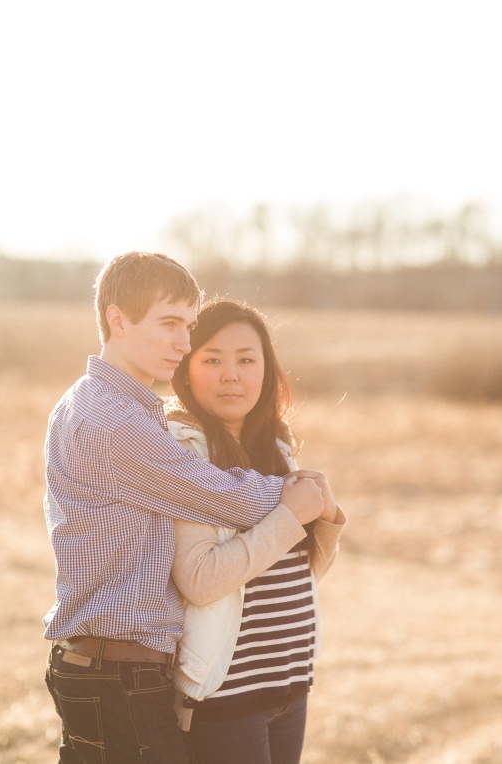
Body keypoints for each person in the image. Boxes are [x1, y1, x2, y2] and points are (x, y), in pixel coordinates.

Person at [42, 251, 326, 764]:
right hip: (118, 672)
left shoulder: (102, 405)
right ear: (117, 319)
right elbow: (222, 498)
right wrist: (296, 500)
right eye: (170, 324)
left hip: (115, 667)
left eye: (188, 325)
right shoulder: (114, 422)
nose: (184, 342)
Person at [166, 298, 347, 764]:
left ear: (267, 369)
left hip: (290, 681)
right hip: (226, 695)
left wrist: (326, 517)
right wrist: (289, 517)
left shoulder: (277, 446)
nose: (232, 374)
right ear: (185, 370)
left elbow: (295, 575)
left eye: (246, 359)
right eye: (212, 359)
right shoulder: (182, 453)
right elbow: (201, 580)